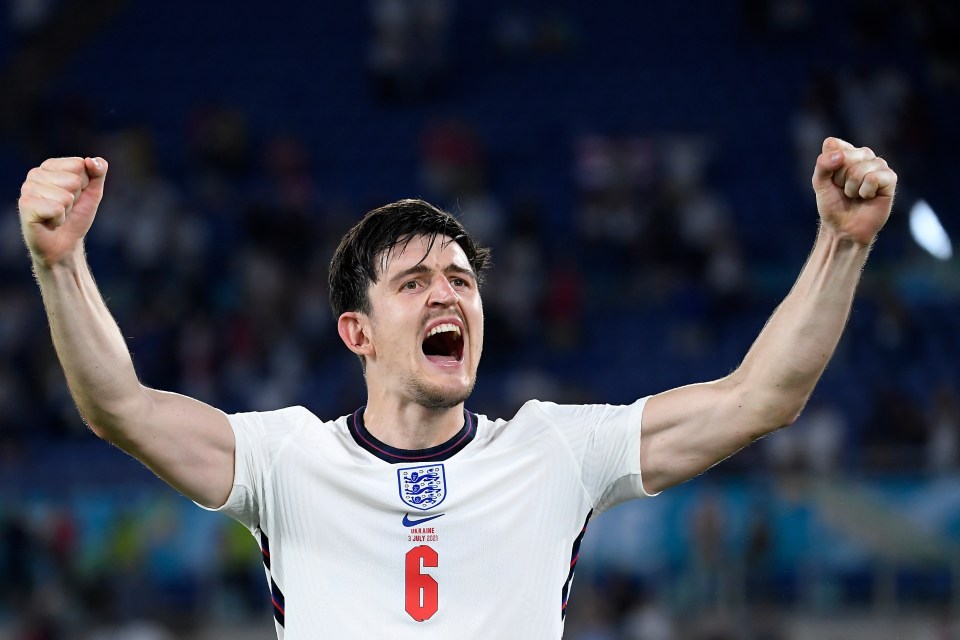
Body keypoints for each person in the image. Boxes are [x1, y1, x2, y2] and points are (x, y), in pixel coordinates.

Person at [17, 137, 896, 638]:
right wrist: (61, 264)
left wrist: (842, 243)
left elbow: (760, 398)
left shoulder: (555, 450)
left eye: (462, 281)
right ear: (356, 333)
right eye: (414, 283)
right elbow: (119, 407)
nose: (448, 292)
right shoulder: (285, 457)